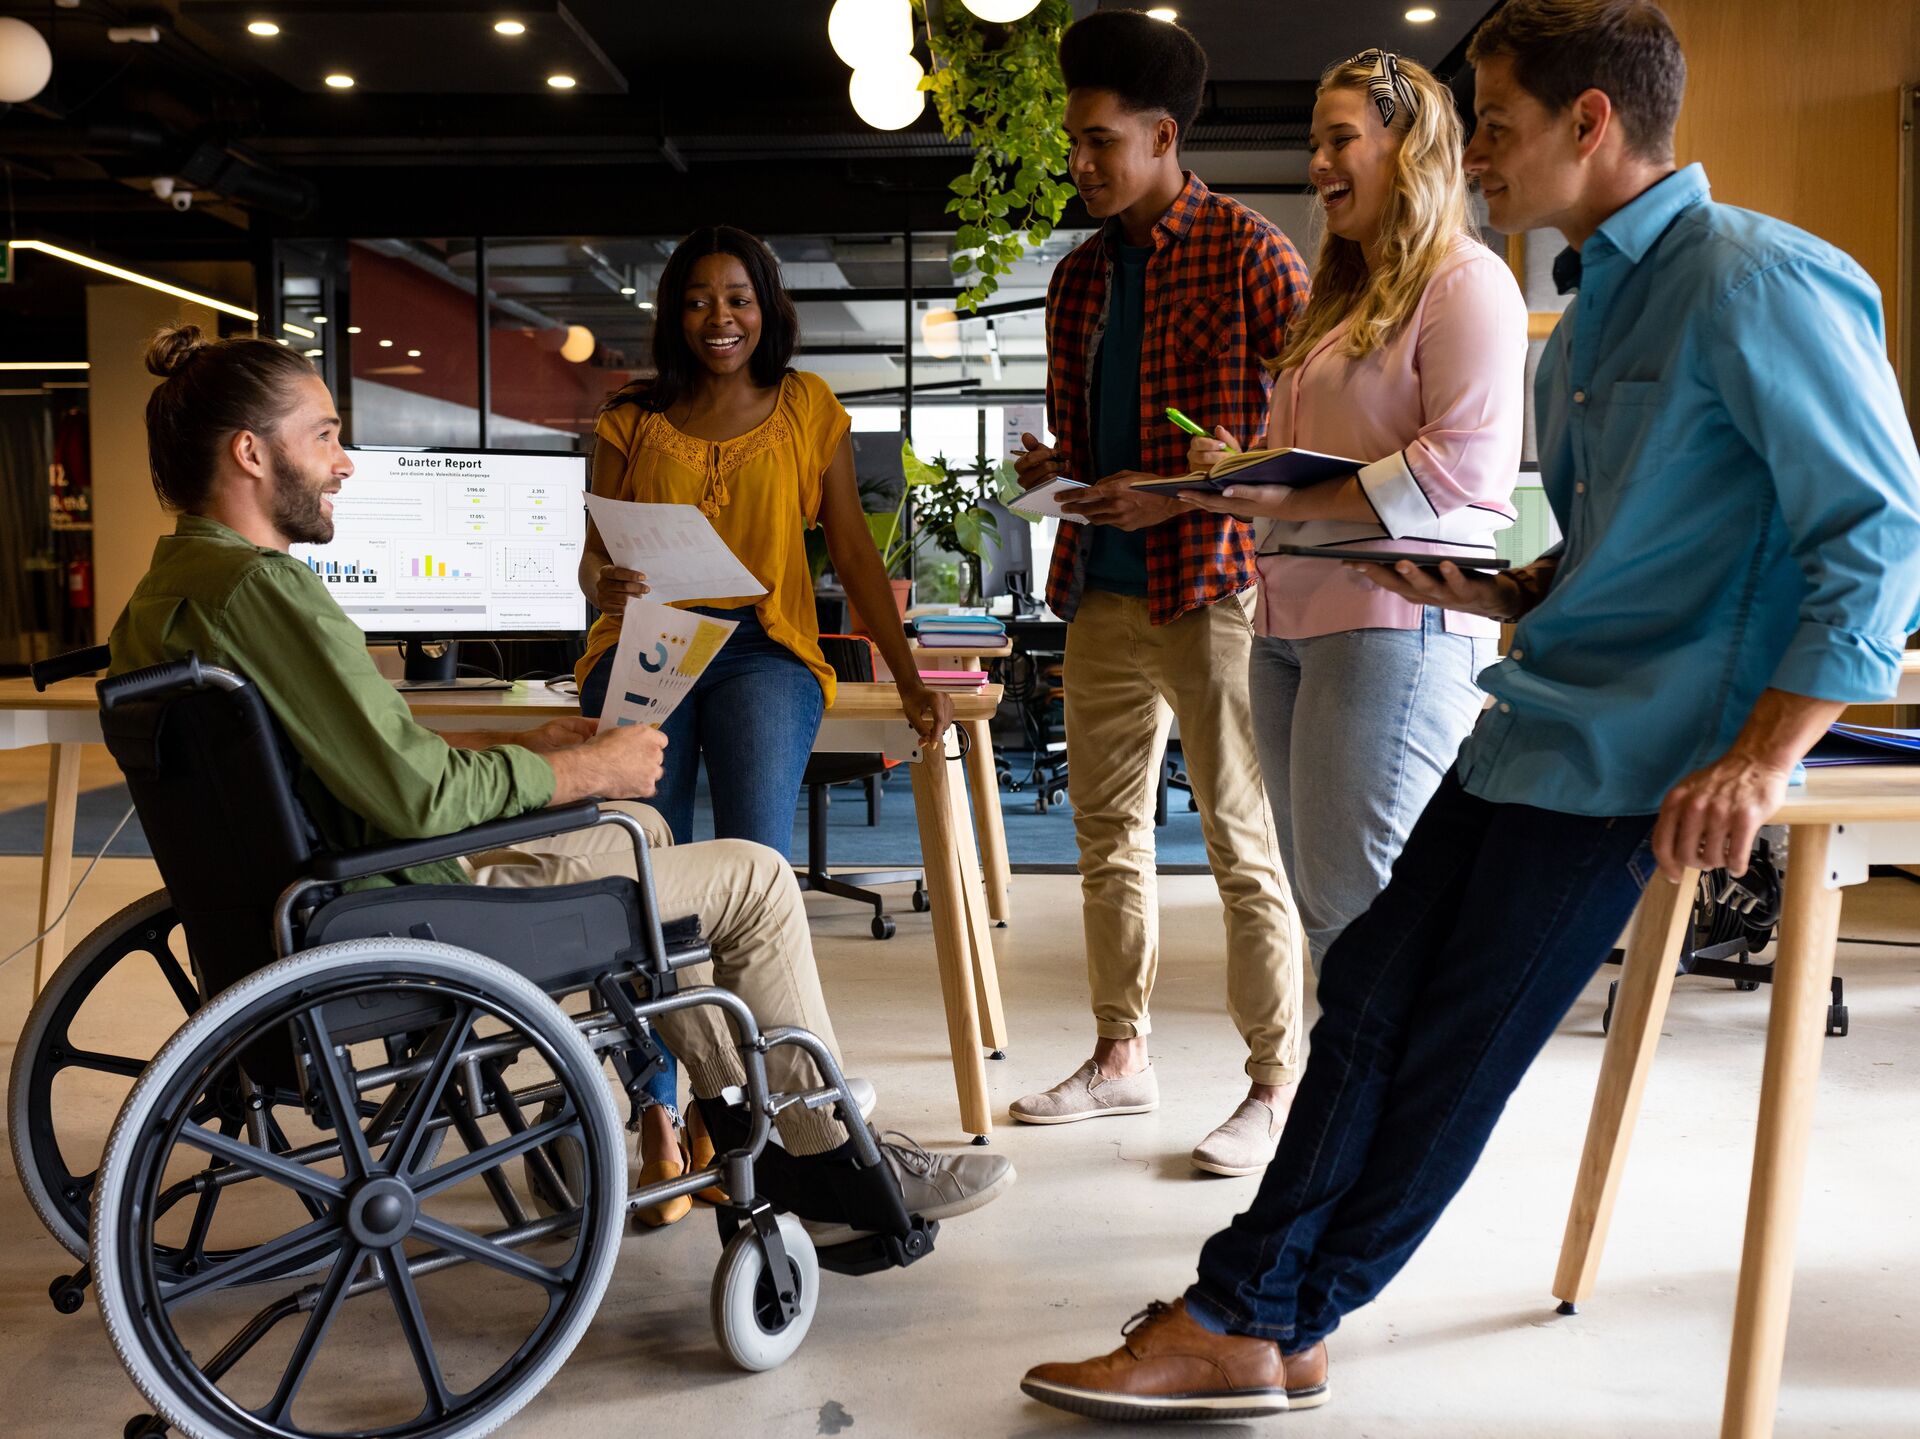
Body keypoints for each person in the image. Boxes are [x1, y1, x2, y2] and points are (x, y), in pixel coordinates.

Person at [1020, 0, 1920, 1419]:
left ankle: (1261, 1308)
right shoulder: (1589, 315)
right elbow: (1601, 537)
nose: (1474, 154)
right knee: (1372, 979)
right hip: (1536, 702)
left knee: (1449, 1038)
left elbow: (1876, 531)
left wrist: (1762, 756)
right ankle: (1263, 1310)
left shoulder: (1758, 279)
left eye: (1493, 125)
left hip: (1640, 748)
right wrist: (1515, 587)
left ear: (1590, 123)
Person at [111, 323, 1013, 1251]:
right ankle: (826, 1154)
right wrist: (580, 767)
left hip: (312, 897)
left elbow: (340, 760)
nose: (345, 463)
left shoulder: (168, 594)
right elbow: (417, 799)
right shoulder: (270, 593)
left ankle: (737, 1119)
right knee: (752, 876)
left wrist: (522, 742)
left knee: (644, 835)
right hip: (401, 907)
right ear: (251, 453)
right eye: (327, 434)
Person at [574, 226, 953, 1220]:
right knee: (640, 870)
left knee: (748, 871)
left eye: (737, 297)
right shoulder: (629, 417)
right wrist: (606, 578)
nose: (719, 317)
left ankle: (755, 1106)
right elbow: (591, 565)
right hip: (647, 640)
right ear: (674, 313)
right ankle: (658, 1104)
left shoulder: (806, 406)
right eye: (698, 299)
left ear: (767, 306)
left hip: (764, 648)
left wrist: (908, 674)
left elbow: (856, 559)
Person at [1008, 7, 1314, 1179]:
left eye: (1098, 143)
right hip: (1100, 588)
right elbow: (1100, 447)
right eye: (1076, 145)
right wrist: (1063, 472)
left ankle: (1275, 1081)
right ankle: (1119, 1053)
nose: (1080, 165)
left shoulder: (1251, 252)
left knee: (1243, 843)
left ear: (1162, 134)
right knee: (1105, 842)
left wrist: (1185, 494)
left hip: (1219, 586)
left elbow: (1297, 452)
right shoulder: (1080, 280)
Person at [1178, 51, 1526, 968]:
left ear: (1407, 147)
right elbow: (1330, 454)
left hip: (1393, 620)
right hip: (1288, 620)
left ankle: (1390, 1107)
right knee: (1326, 906)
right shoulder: (1344, 298)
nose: (1318, 165)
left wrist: (1289, 490)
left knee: (1366, 903)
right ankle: (1361, 1105)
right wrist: (1243, 466)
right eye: (1313, 144)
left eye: (1341, 140)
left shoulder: (1465, 281)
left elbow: (1454, 465)